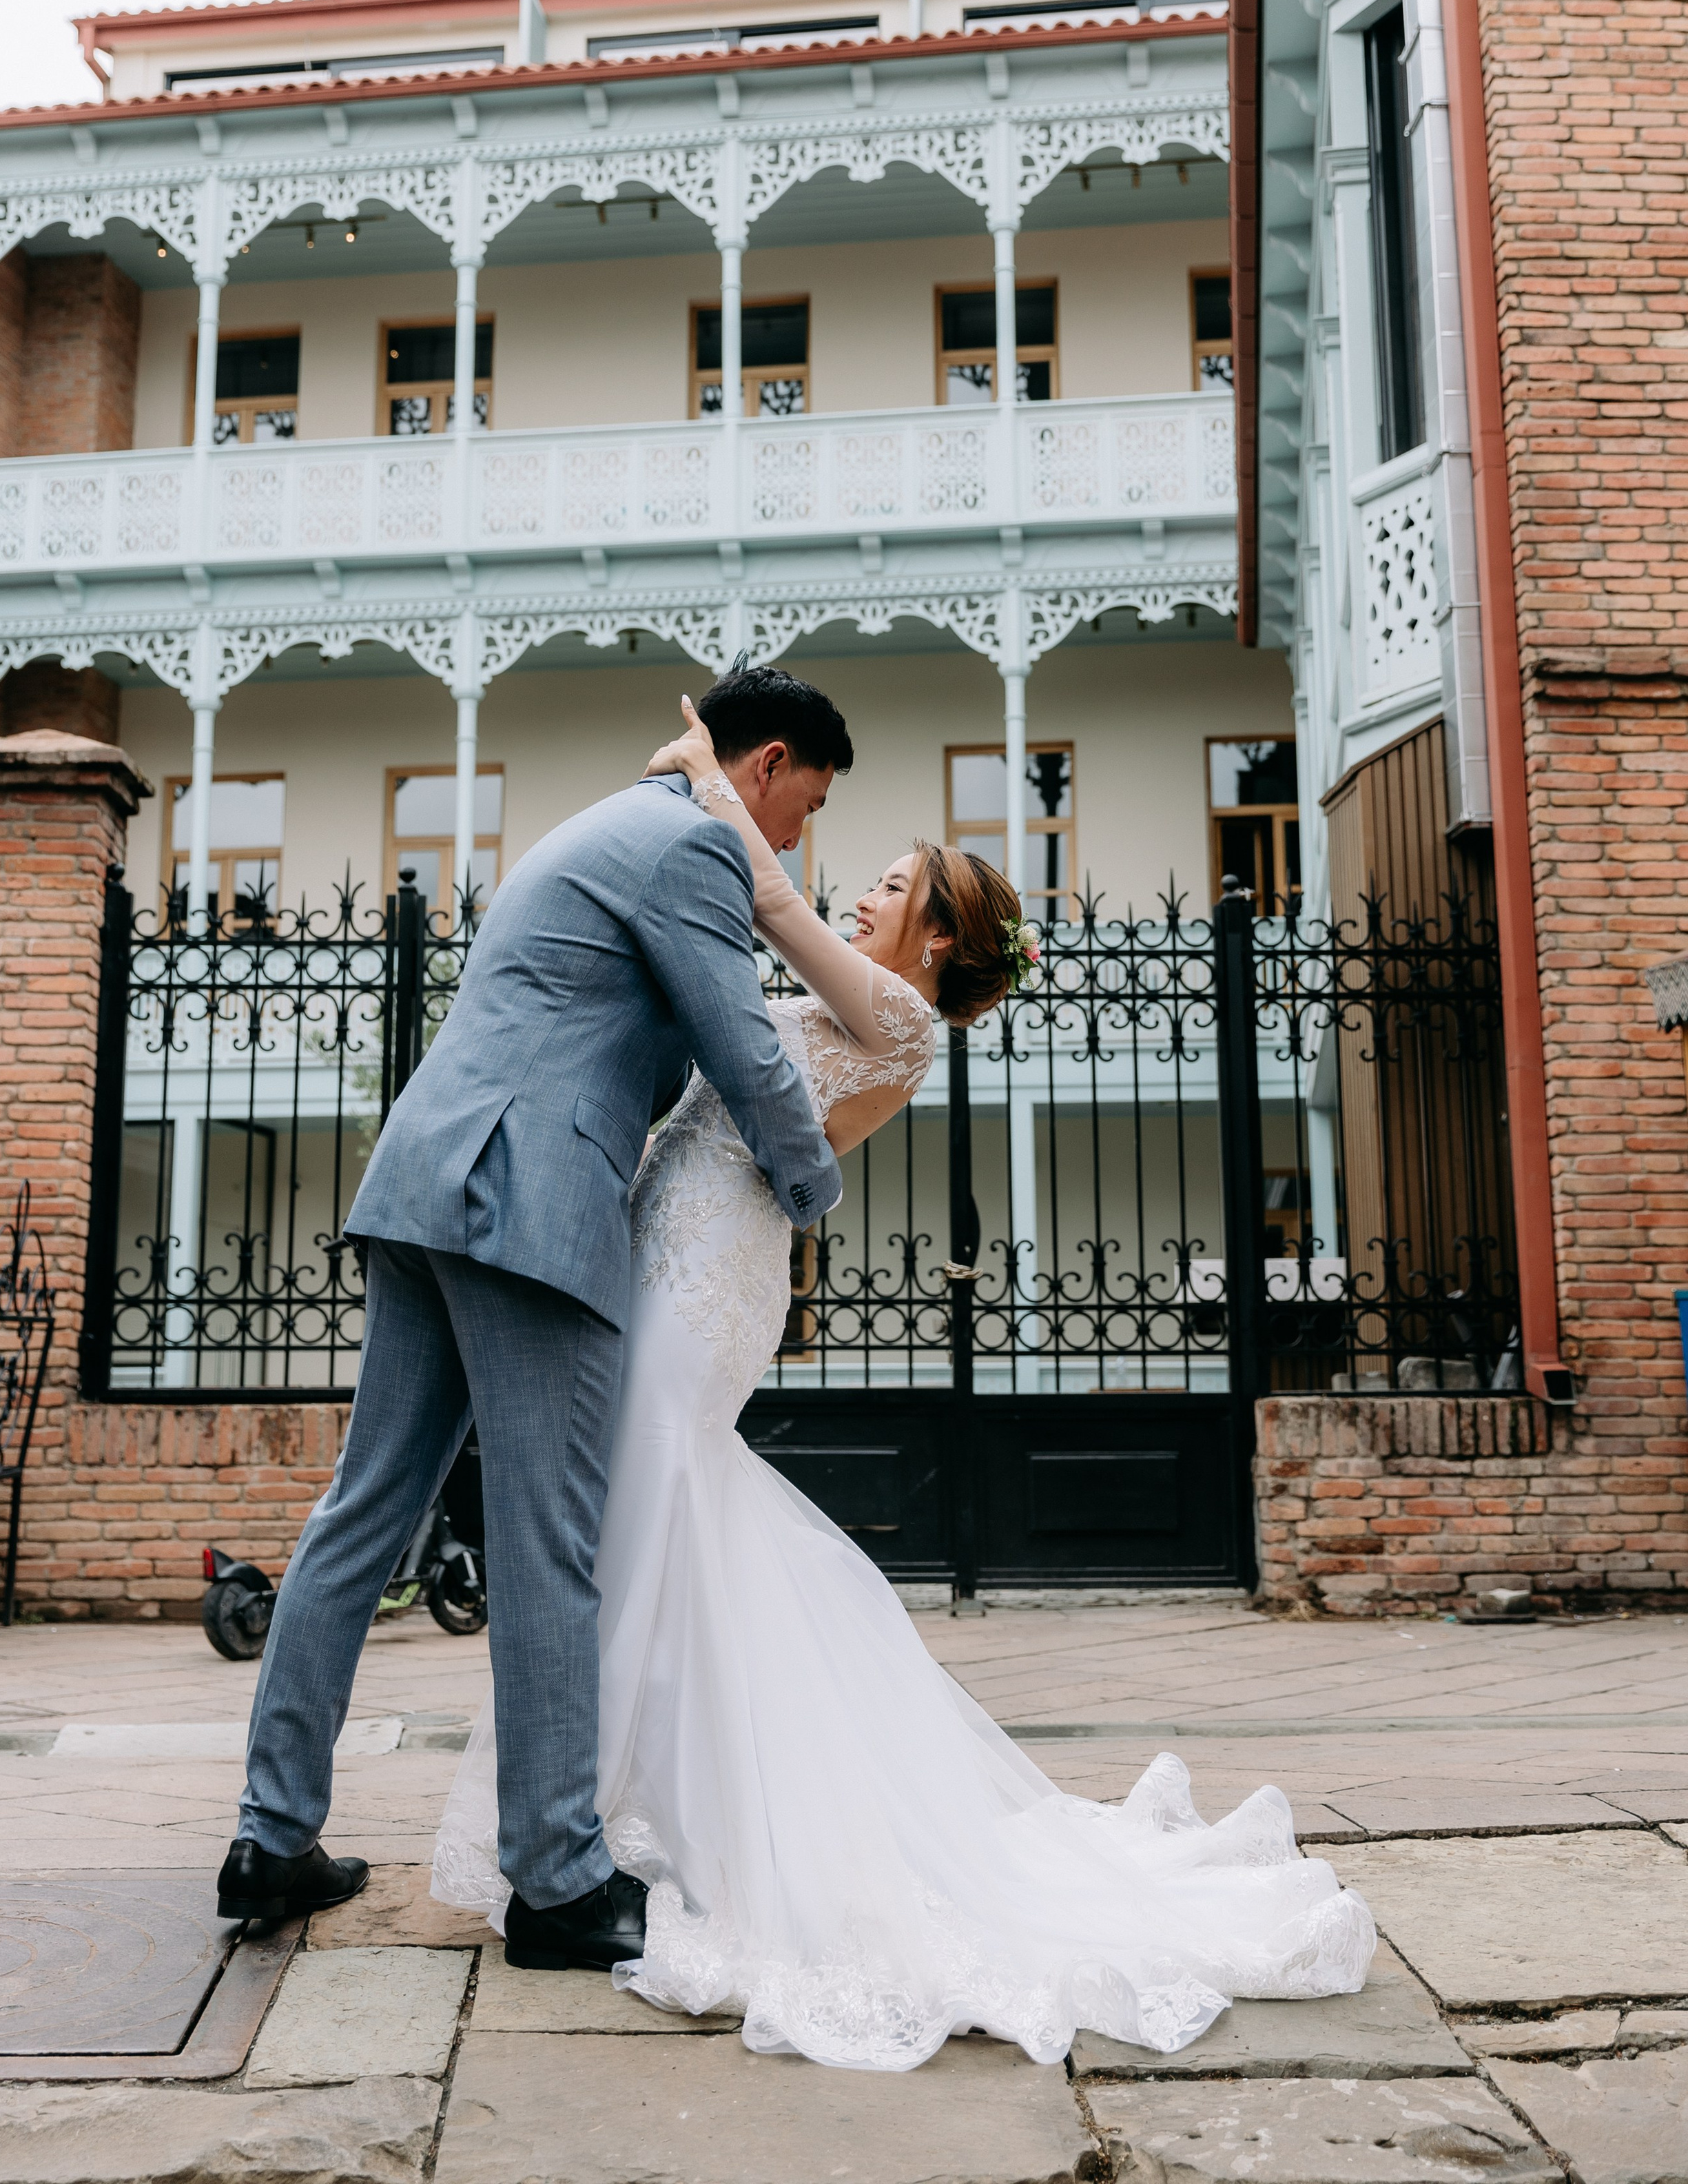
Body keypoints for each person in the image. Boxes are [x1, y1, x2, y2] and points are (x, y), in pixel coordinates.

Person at [430, 699, 1377, 2071]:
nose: (853, 888)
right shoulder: (838, 999)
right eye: (860, 875)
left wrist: (707, 776)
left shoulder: (897, 1013)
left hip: (708, 1286)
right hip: (669, 1252)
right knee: (642, 1528)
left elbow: (760, 894)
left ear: (932, 937)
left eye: (886, 884)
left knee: (635, 1515)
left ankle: (601, 1826)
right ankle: (609, 1814)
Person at [215, 665, 852, 1974]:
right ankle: (558, 1883)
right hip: (528, 1205)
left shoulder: (603, 821)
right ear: (770, 763)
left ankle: (270, 1836)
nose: (796, 839)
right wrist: (815, 1186)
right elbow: (745, 1048)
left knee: (360, 1515)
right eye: (807, 805)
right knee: (551, 1541)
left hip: (423, 1180)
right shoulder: (690, 848)